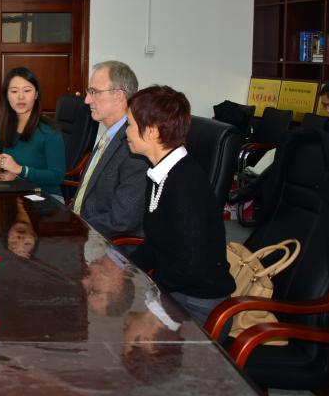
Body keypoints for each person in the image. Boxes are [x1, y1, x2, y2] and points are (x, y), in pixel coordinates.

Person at [124, 85, 234, 326]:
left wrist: (150, 293)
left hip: (198, 304)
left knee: (123, 331)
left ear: (152, 131)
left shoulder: (185, 183)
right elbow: (157, 243)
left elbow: (191, 266)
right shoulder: (160, 173)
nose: (126, 132)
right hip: (174, 291)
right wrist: (124, 269)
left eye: (130, 124)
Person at [72, 61, 150, 238]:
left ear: (119, 95)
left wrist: (74, 228)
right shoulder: (109, 135)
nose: (87, 100)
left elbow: (122, 220)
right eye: (88, 92)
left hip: (107, 244)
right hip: (84, 228)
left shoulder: (135, 146)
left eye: (94, 92)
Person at [0, 67, 64, 197]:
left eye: (27, 90)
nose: (20, 97)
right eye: (14, 91)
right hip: (14, 193)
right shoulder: (6, 126)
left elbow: (57, 176)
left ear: (36, 94)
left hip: (46, 197)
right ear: (7, 96)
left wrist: (20, 170)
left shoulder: (49, 132)